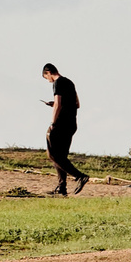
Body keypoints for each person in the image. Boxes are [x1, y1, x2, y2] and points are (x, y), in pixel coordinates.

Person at [42, 63, 88, 195]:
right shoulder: (70, 82)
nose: (48, 80)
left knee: (53, 154)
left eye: (47, 78)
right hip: (72, 123)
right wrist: (55, 104)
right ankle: (62, 188)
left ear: (49, 72)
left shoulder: (58, 83)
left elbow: (59, 103)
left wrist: (53, 122)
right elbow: (77, 104)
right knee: (61, 156)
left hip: (61, 123)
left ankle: (79, 176)